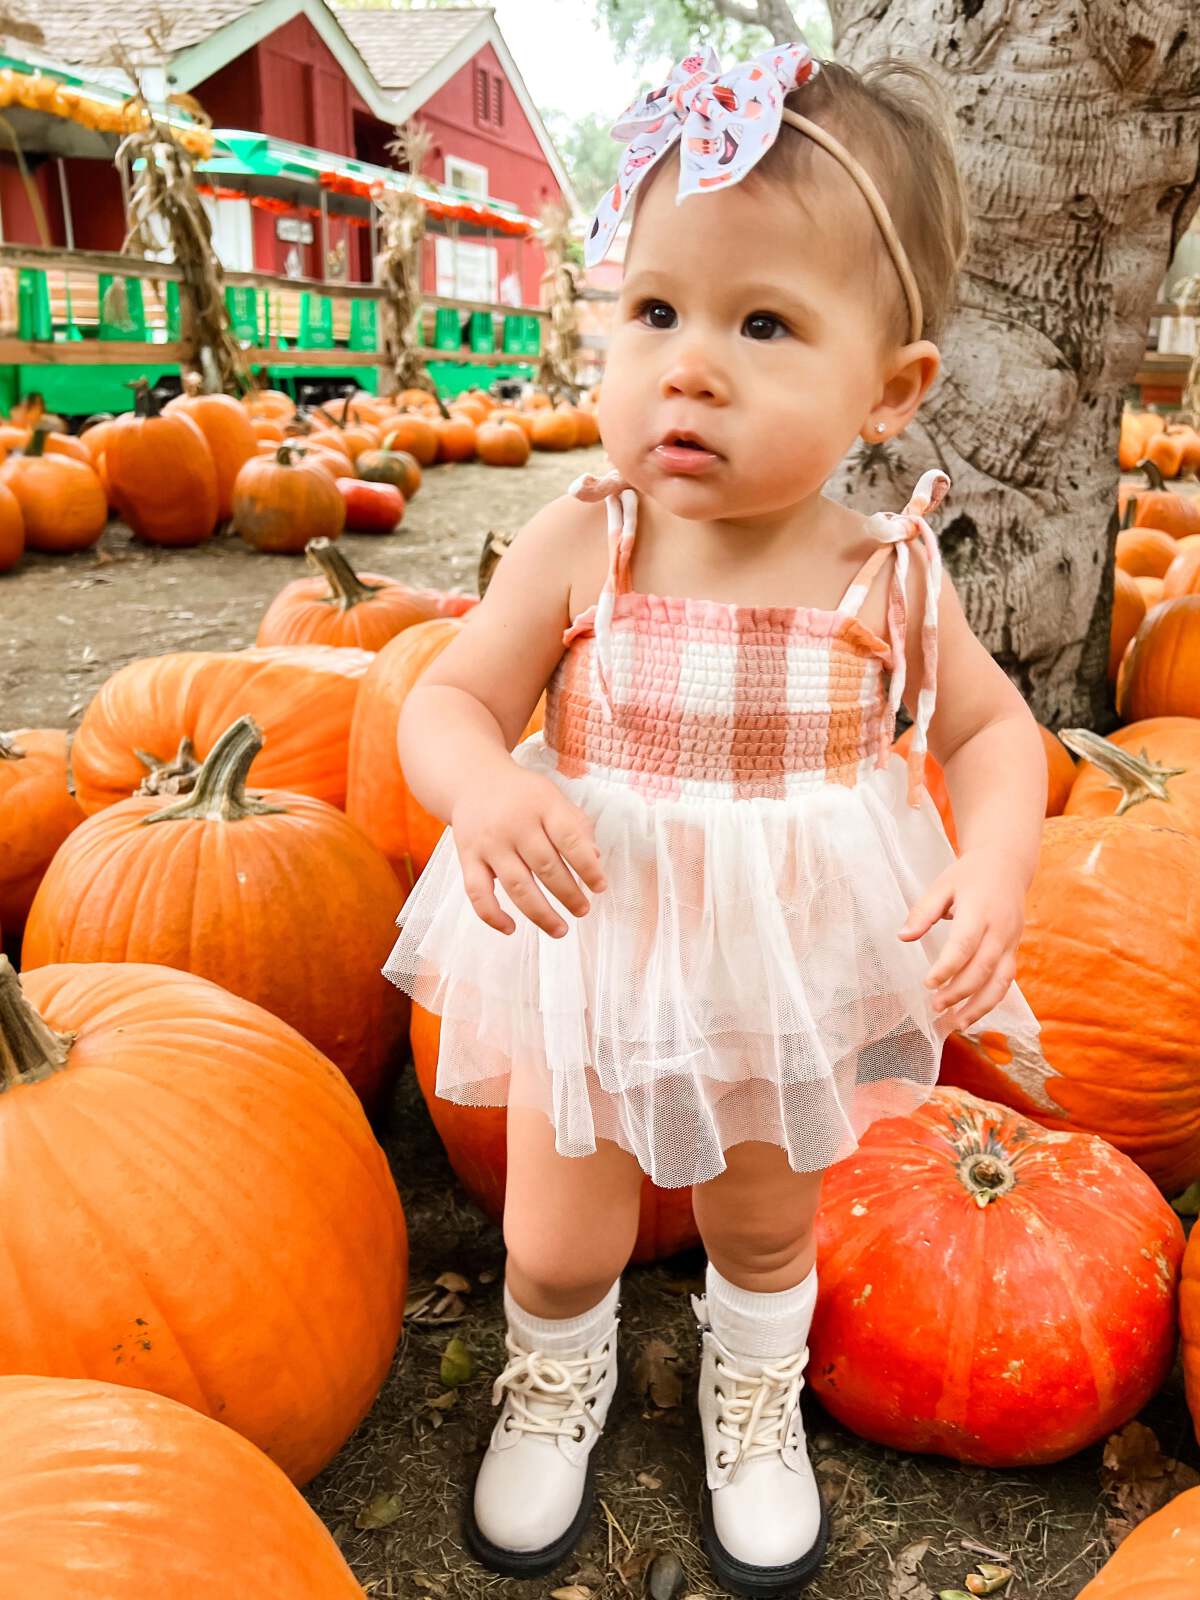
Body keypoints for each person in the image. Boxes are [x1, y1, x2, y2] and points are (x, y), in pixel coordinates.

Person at [385, 41, 1048, 1600]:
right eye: (657, 312)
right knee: (557, 1228)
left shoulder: (886, 572)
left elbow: (994, 729)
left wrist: (998, 862)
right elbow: (445, 704)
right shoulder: (585, 540)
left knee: (763, 1217)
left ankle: (753, 1395)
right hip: (594, 937)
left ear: (890, 389)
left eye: (764, 325)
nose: (690, 366)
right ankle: (557, 1375)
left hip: (785, 960)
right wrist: (485, 786)